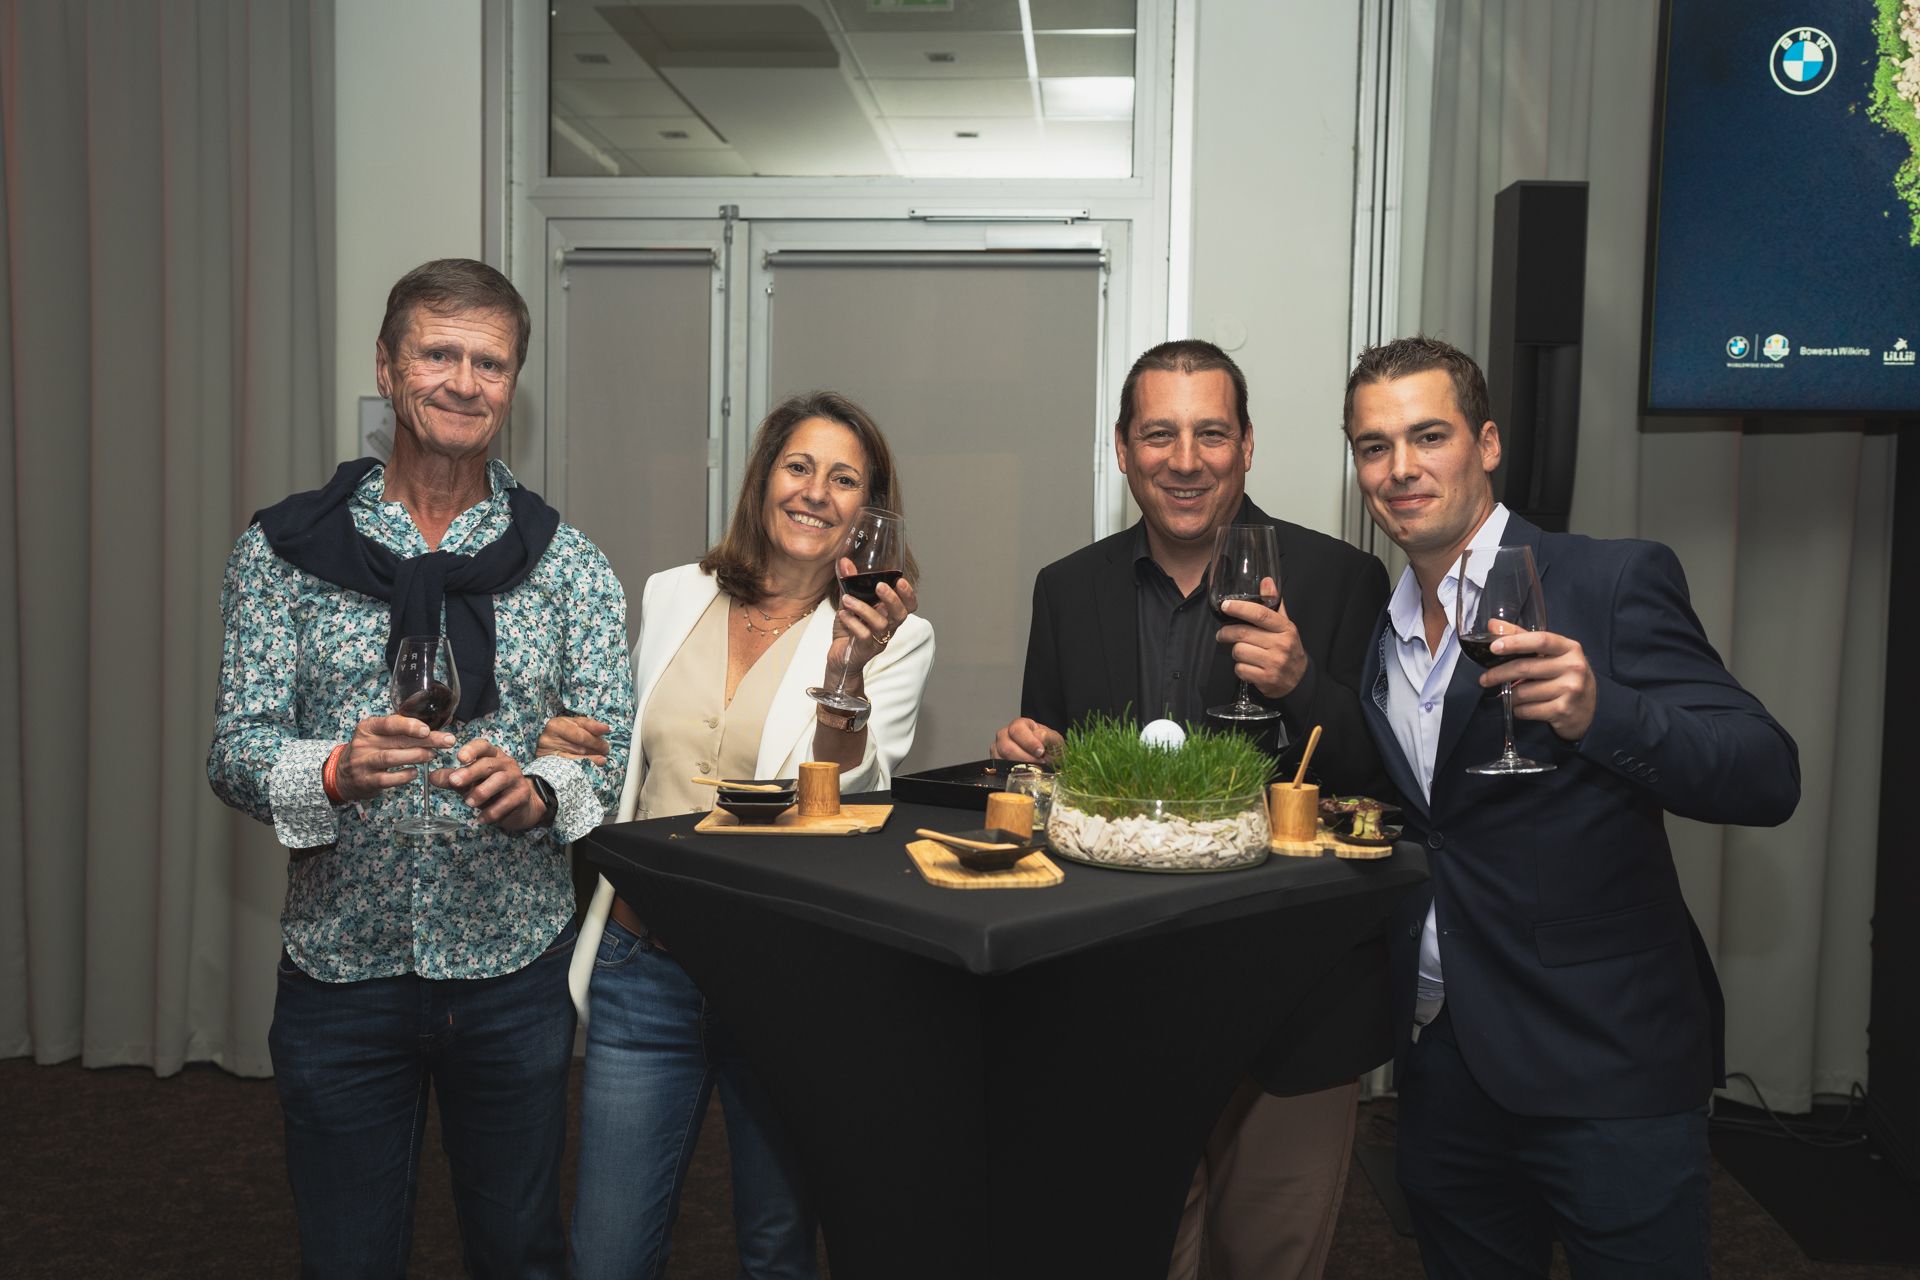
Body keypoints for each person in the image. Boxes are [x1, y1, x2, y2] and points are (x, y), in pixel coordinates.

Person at [206, 258, 635, 1278]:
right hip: (340, 971)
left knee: (519, 1250)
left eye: (490, 362)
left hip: (513, 969)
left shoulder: (567, 564)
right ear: (387, 366)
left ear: (513, 382)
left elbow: (605, 749)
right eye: (438, 353)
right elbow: (236, 748)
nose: (463, 381)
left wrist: (536, 792)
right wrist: (333, 770)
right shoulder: (284, 550)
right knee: (347, 1255)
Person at [1343, 336, 1800, 1278]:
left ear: (1488, 444)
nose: (1400, 468)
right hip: (1443, 1059)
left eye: (1429, 436)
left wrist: (1605, 714)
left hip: (1604, 1061)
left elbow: (1766, 772)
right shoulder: (1379, 632)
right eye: (1374, 446)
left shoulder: (1610, 578)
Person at [990, 339, 1391, 1280]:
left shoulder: (1341, 578)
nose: (1185, 460)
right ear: (1122, 450)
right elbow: (1053, 794)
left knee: (1267, 1260)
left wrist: (1301, 685)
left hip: (1292, 1003)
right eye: (1158, 434)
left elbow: (1382, 786)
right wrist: (1032, 761)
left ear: (1247, 445)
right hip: (1116, 999)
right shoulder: (1067, 588)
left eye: (1211, 433)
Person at [539, 391, 934, 1280]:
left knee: (775, 1248)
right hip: (644, 966)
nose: (815, 492)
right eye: (799, 467)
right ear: (764, 481)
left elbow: (847, 796)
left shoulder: (898, 639)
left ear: (868, 514)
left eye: (845, 480)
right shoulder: (673, 593)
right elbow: (631, 755)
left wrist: (847, 671)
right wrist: (564, 742)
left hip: (782, 977)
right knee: (606, 1255)